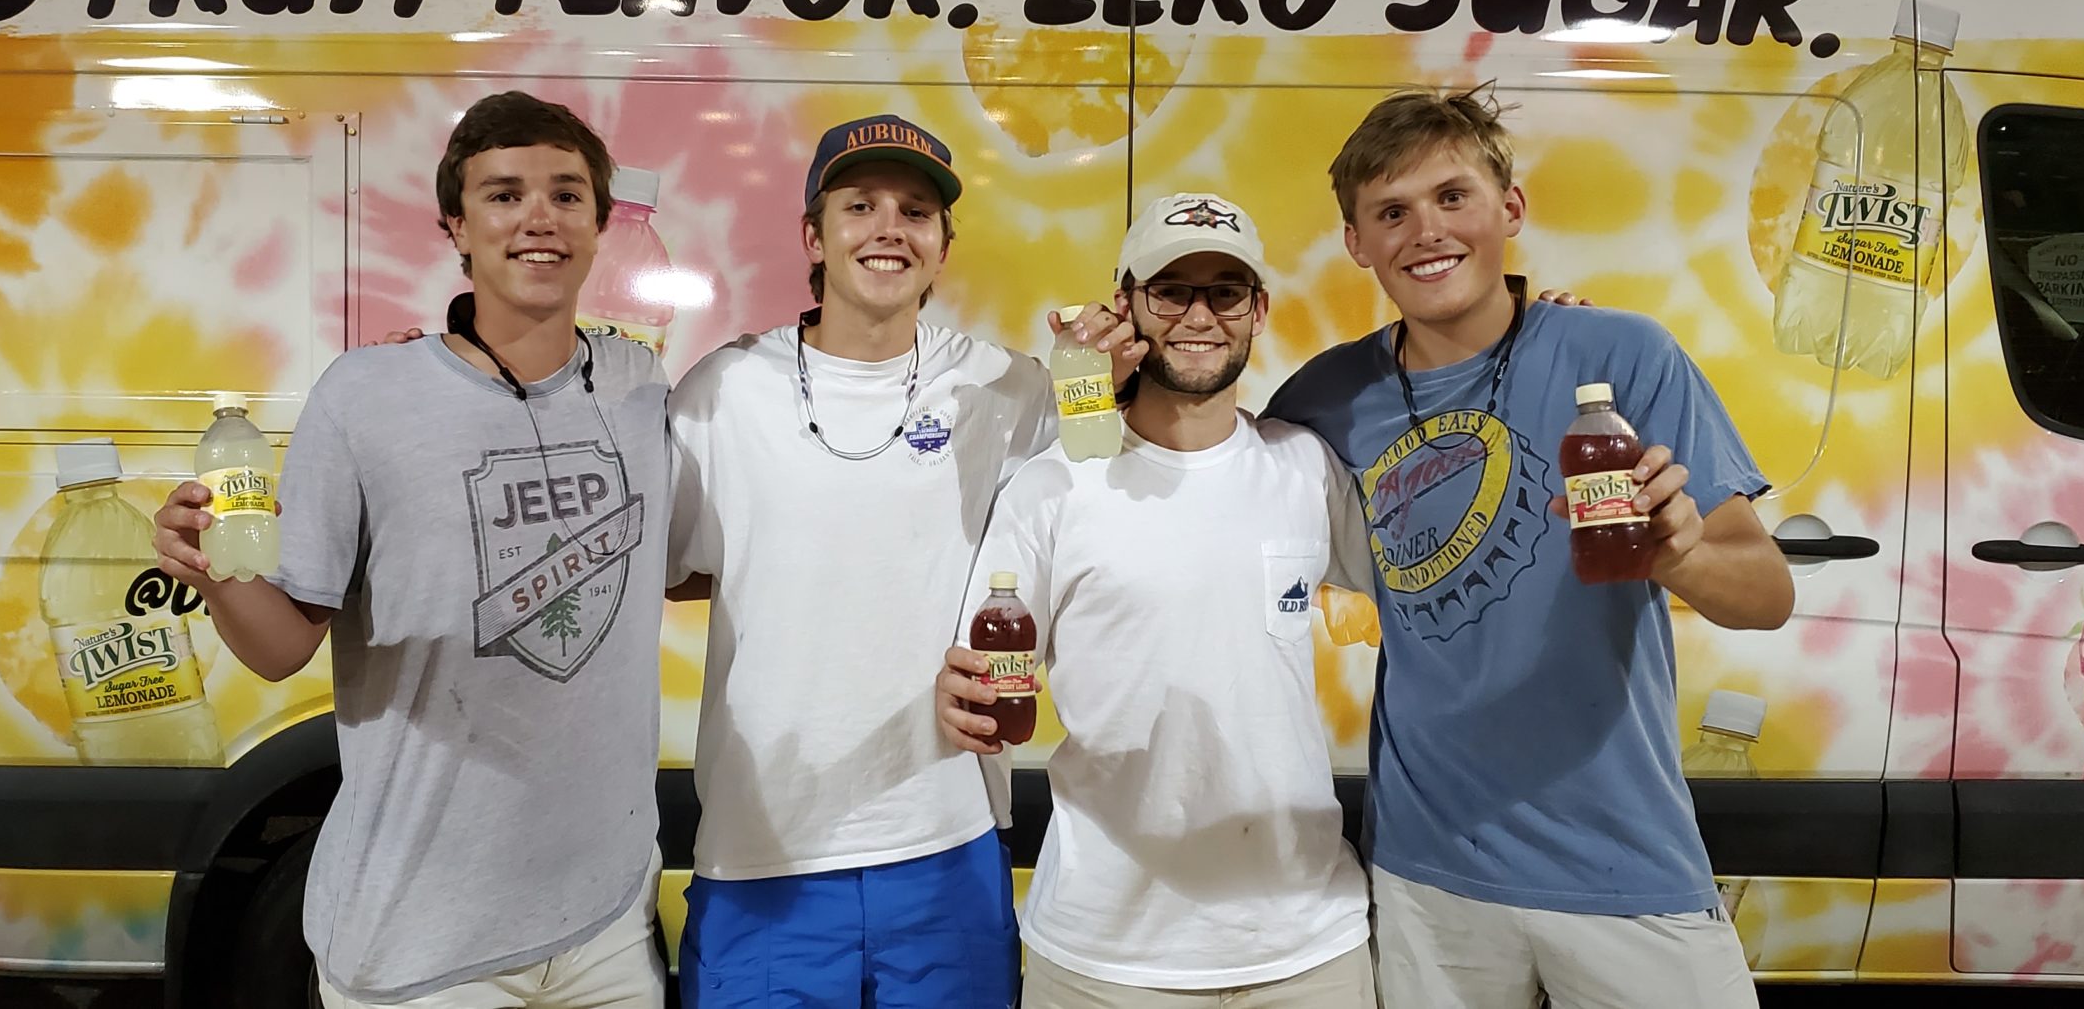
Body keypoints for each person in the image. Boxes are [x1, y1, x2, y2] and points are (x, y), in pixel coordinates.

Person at [1262, 84, 1796, 1008]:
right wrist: (1087, 385)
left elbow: (1766, 593)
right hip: (1430, 870)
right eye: (1391, 212)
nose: (1426, 231)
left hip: (1623, 860)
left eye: (1452, 197)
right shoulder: (1326, 398)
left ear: (1510, 209)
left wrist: (1682, 559)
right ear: (1358, 243)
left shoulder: (1622, 356)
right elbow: (1204, 479)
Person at [151, 91, 673, 1008]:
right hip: (422, 942)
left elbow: (687, 560)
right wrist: (209, 564)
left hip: (604, 925)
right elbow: (280, 647)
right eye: (504, 196)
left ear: (599, 225)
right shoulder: (366, 395)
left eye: (566, 194)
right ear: (456, 228)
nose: (539, 218)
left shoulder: (636, 383)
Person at [663, 114, 1138, 1009]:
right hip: (766, 849)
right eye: (861, 205)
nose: (890, 227)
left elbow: (1097, 489)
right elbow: (675, 565)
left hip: (944, 844)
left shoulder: (1008, 386)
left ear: (944, 244)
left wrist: (1090, 371)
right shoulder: (722, 392)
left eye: (917, 211)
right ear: (814, 234)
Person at [934, 192, 1380, 1008]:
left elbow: (1429, 584)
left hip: (1308, 947)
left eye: (1227, 290)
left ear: (1260, 311)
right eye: (1172, 290)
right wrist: (957, 695)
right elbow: (983, 672)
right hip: (1104, 960)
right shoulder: (1051, 484)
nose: (1200, 315)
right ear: (1125, 302)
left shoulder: (1305, 467)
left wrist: (1530, 351)